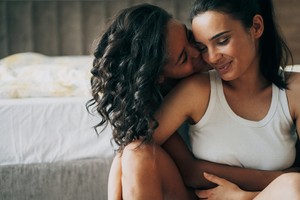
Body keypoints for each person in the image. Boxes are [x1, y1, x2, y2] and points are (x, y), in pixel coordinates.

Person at [87, 2, 300, 200]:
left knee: (293, 184)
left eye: (222, 41)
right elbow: (134, 152)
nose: (210, 57)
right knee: (136, 154)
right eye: (202, 47)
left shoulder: (294, 90)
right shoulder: (195, 90)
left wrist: (245, 196)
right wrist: (278, 176)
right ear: (160, 74)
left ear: (256, 27)